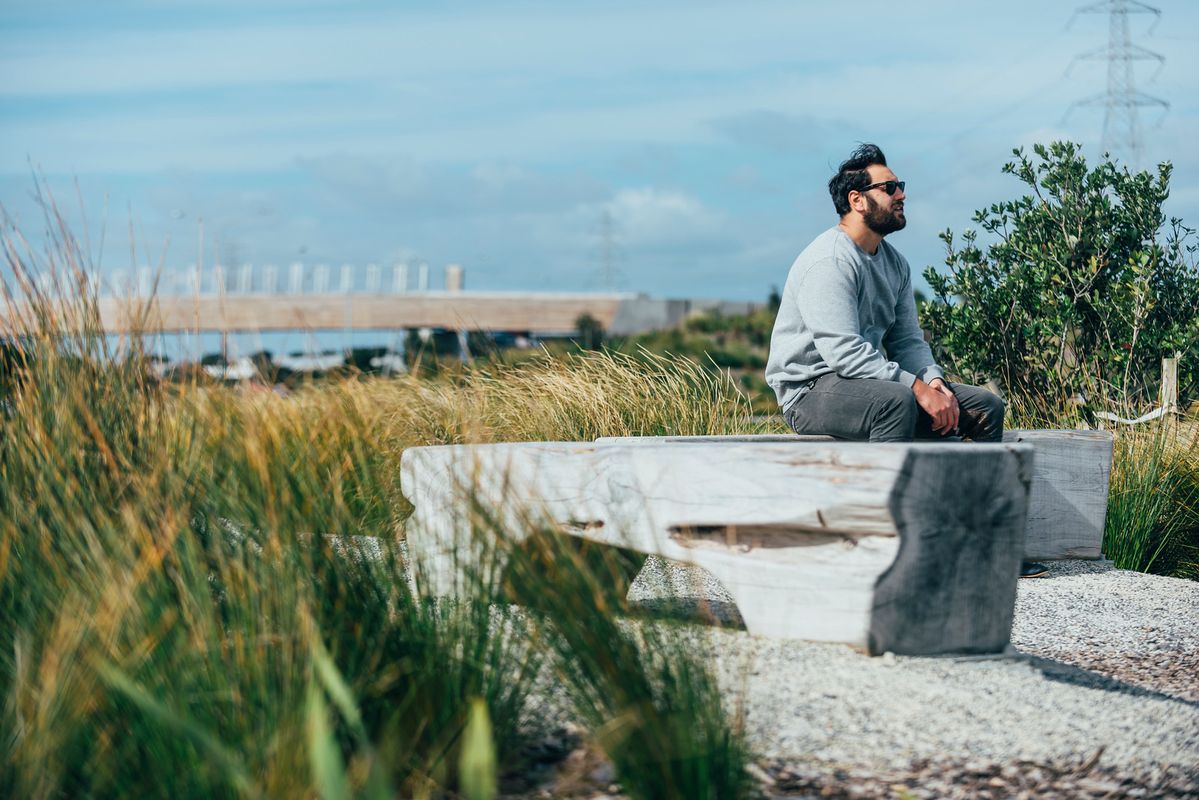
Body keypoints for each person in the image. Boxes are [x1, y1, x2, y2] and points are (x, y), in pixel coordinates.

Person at [765, 143, 1048, 578]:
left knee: (983, 407)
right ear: (857, 200)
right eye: (890, 187)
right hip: (810, 389)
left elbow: (908, 341)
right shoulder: (829, 261)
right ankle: (890, 547)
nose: (901, 195)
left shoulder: (895, 264)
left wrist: (933, 382)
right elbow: (841, 352)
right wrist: (913, 389)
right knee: (893, 402)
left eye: (901, 186)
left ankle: (977, 544)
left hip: (863, 383)